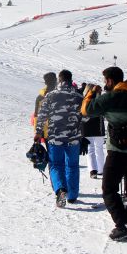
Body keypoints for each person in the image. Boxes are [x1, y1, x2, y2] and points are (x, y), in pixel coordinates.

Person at [81, 66, 127, 242]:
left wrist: (90, 93)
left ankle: (123, 224)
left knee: (109, 188)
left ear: (110, 81)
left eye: (106, 81)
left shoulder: (110, 98)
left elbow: (86, 111)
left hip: (117, 150)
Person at [35, 69, 84, 207]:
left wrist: (39, 132)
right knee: (73, 165)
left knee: (56, 165)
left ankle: (60, 190)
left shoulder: (50, 96)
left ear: (59, 80)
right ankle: (73, 195)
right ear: (70, 79)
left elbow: (42, 115)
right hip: (73, 138)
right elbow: (85, 117)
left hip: (55, 137)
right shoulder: (79, 97)